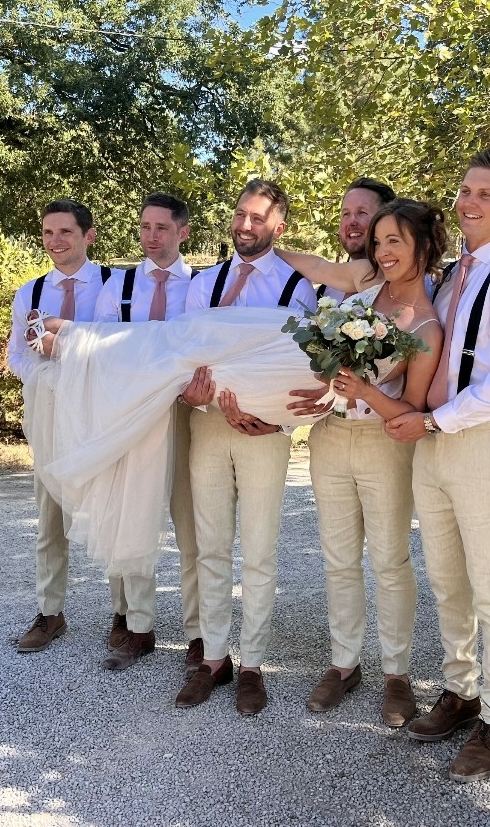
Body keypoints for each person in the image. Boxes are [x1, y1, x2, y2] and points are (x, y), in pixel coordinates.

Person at [384, 149, 490, 782]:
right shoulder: (450, 276)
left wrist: (431, 420)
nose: (470, 201)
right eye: (465, 189)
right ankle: (462, 691)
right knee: (448, 580)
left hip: (483, 444)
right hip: (435, 445)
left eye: (486, 193)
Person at [276, 199, 445, 724]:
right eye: (378, 241)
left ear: (422, 244)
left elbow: (413, 410)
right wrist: (267, 240)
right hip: (329, 438)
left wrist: (366, 389)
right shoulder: (364, 281)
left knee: (391, 562)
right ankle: (343, 664)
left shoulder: (429, 327)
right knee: (338, 557)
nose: (383, 251)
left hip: (384, 446)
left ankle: (397, 674)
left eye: (395, 241)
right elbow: (319, 267)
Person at [174, 179, 318, 716]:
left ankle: (252, 663)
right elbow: (183, 353)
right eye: (240, 214)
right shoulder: (203, 284)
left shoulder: (298, 287)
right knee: (210, 546)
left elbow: (306, 365)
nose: (245, 226)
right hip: (208, 426)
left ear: (279, 225)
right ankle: (214, 659)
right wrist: (190, 393)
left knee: (258, 551)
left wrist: (274, 420)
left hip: (264, 433)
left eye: (258, 218)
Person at [92, 193, 202, 675]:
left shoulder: (202, 286)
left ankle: (201, 633)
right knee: (132, 516)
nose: (151, 236)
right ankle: (139, 626)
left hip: (186, 414)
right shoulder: (117, 285)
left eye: (161, 227)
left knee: (192, 523)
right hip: (134, 412)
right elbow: (97, 346)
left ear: (183, 232)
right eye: (144, 227)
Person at [8, 198, 112, 653]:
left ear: (88, 236)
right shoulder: (30, 293)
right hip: (48, 413)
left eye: (65, 232)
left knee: (110, 512)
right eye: (48, 233)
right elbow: (17, 353)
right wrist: (46, 377)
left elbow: (122, 345)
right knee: (50, 517)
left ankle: (128, 616)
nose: (56, 242)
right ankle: (50, 612)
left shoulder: (113, 286)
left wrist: (76, 372)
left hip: (99, 412)